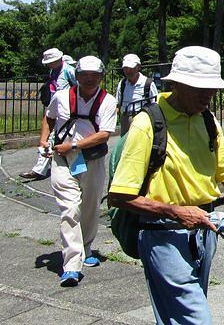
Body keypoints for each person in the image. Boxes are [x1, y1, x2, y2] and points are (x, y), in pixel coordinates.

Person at [108, 46, 224, 325]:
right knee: (195, 319)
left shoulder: (208, 119)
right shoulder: (148, 124)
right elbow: (119, 195)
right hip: (163, 234)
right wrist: (177, 212)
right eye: (199, 87)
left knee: (178, 316)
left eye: (211, 88)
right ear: (175, 84)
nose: (208, 95)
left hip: (205, 232)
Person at [45, 55, 117, 286]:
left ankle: (86, 247)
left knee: (90, 206)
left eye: (94, 75)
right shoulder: (62, 96)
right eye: (84, 74)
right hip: (62, 159)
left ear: (101, 76)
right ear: (77, 75)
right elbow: (49, 117)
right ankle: (71, 265)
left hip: (91, 160)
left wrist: (74, 145)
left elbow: (105, 133)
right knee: (70, 209)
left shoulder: (107, 101)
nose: (89, 79)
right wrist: (43, 141)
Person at [20, 48, 78, 181]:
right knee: (50, 137)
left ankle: (65, 167)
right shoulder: (53, 71)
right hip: (55, 107)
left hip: (67, 109)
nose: (49, 64)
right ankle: (40, 169)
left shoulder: (69, 70)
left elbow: (78, 88)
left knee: (66, 137)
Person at [115, 53, 158, 135]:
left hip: (142, 120)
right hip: (125, 119)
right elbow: (117, 104)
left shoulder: (148, 84)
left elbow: (155, 105)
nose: (128, 71)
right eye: (125, 68)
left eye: (131, 68)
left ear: (138, 67)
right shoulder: (122, 83)